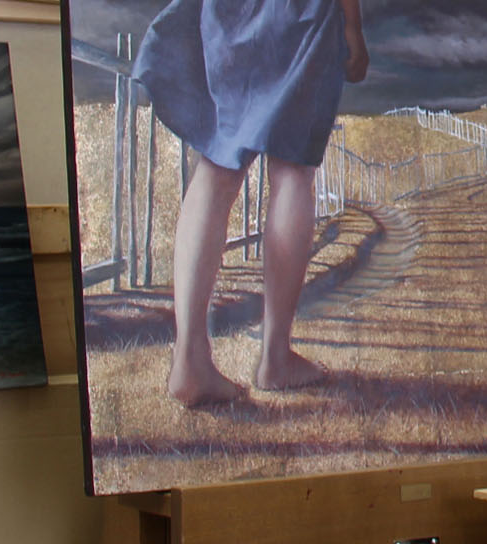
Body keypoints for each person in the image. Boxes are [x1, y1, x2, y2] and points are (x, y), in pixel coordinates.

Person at [131, 0, 370, 406]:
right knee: (292, 169)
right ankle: (276, 358)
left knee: (216, 165)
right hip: (301, 13)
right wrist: (352, 26)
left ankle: (189, 359)